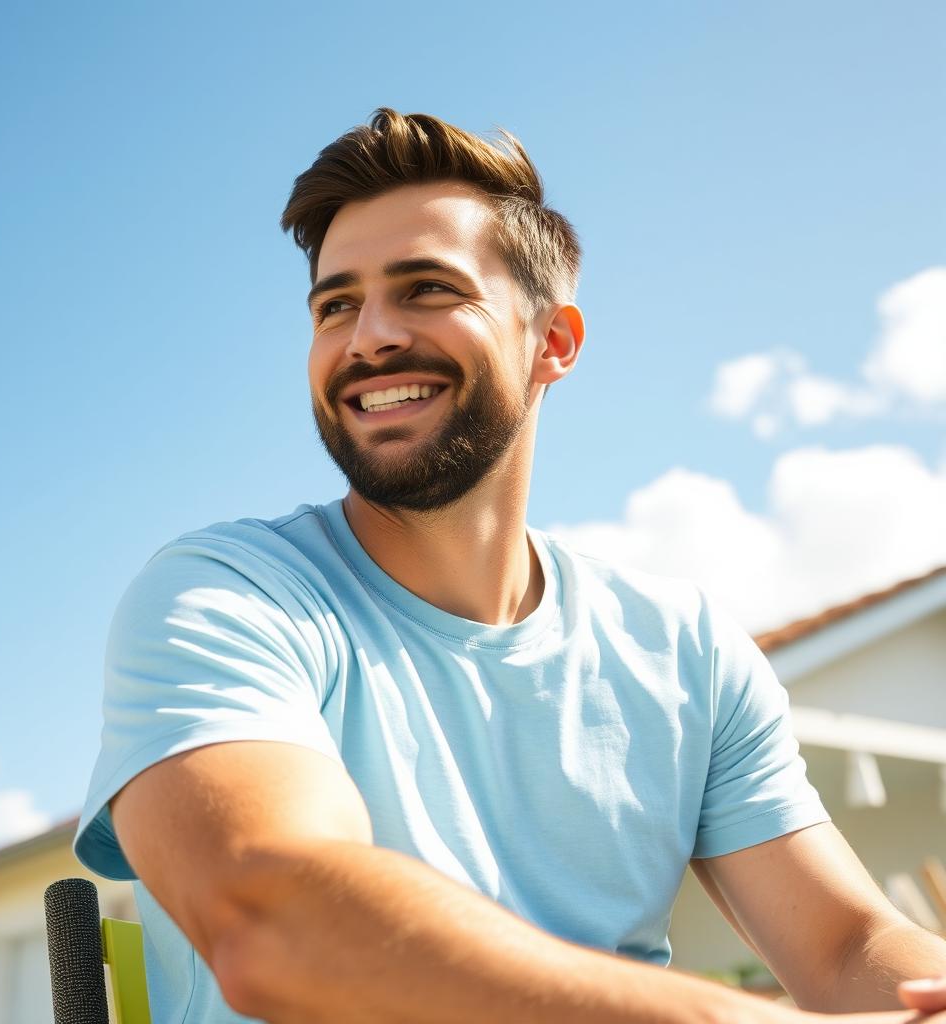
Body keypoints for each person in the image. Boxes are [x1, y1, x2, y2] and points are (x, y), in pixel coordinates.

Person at [75, 109, 946, 1024]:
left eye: (425, 289)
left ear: (554, 343)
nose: (368, 336)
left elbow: (847, 947)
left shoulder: (685, 651)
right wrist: (724, 1020)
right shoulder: (226, 596)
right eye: (336, 305)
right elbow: (279, 920)